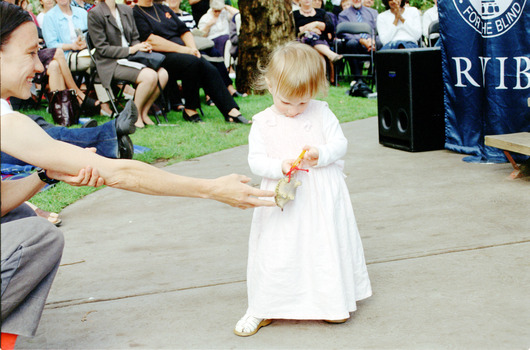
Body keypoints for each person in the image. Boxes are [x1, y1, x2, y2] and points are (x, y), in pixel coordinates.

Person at [0, 3, 275, 347]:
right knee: (38, 236)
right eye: (30, 53)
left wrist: (44, 175)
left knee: (21, 215)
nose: (40, 65)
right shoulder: (5, 121)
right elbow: (118, 172)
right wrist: (211, 189)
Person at [233, 42, 372, 337]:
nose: (295, 110)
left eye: (303, 102)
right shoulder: (263, 123)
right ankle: (264, 306)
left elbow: (340, 144)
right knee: (277, 249)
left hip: (321, 195)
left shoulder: (322, 112)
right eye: (286, 102)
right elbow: (256, 161)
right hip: (283, 199)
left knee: (321, 247)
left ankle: (329, 302)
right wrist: (280, 166)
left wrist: (320, 153)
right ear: (270, 85)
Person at [133, 0, 250, 123]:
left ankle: (225, 110)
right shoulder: (136, 13)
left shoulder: (163, 9)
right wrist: (184, 50)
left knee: (203, 64)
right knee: (194, 62)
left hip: (183, 54)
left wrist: (193, 48)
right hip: (160, 56)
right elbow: (151, 40)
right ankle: (222, 110)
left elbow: (184, 31)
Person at [87, 0, 170, 128]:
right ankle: (134, 116)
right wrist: (131, 50)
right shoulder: (95, 13)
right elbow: (102, 49)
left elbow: (135, 37)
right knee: (149, 76)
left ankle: (144, 112)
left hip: (132, 57)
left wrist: (141, 46)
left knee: (163, 74)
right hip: (110, 62)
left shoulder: (126, 10)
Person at [42, 0, 114, 115]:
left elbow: (91, 35)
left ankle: (106, 103)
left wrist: (85, 43)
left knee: (101, 60)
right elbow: (51, 45)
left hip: (86, 52)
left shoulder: (81, 13)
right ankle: (107, 103)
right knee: (99, 61)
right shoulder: (49, 17)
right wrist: (72, 46)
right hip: (65, 57)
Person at [337, 0, 381, 78]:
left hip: (371, 42)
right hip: (354, 44)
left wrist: (372, 40)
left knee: (379, 43)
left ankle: (375, 76)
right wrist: (361, 40)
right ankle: (357, 77)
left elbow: (378, 30)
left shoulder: (373, 13)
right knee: (351, 43)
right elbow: (345, 33)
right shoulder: (343, 14)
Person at [293, 0, 342, 64]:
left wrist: (316, 24)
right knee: (310, 35)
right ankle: (331, 55)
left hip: (322, 40)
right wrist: (311, 30)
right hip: (303, 44)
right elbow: (294, 30)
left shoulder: (321, 12)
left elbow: (330, 27)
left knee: (319, 53)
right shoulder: (295, 14)